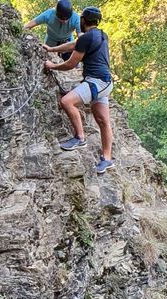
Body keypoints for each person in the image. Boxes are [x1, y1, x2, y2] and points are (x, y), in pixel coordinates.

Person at [43, 6, 115, 174]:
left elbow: (70, 64)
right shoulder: (101, 35)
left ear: (82, 20)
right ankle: (107, 159)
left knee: (66, 102)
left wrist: (52, 66)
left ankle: (80, 138)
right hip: (105, 83)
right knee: (103, 121)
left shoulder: (86, 38)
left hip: (96, 82)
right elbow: (74, 44)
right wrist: (52, 49)